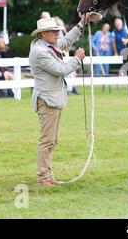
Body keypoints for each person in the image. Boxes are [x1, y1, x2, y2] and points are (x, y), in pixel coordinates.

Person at [29, 13, 99, 186]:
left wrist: (82, 23)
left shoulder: (47, 46)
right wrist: (77, 59)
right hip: (47, 101)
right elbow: (61, 69)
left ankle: (47, 175)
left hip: (52, 99)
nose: (57, 33)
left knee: (52, 139)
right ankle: (43, 177)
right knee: (47, 140)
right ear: (42, 34)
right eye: (52, 31)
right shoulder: (40, 52)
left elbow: (66, 41)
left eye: (56, 30)